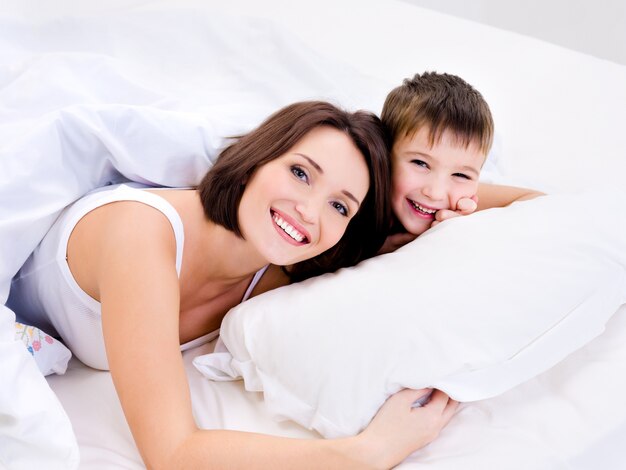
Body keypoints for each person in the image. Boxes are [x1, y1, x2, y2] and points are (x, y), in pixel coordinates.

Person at [8, 100, 458, 469]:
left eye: (340, 206)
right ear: (254, 163)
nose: (309, 211)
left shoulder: (277, 269)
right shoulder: (139, 235)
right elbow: (172, 453)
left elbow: (422, 214)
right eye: (300, 173)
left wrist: (469, 193)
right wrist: (364, 454)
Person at [379, 71, 543, 253]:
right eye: (420, 163)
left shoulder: (462, 199)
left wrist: (468, 224)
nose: (435, 193)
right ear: (384, 153)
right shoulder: (359, 192)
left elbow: (539, 202)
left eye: (460, 175)